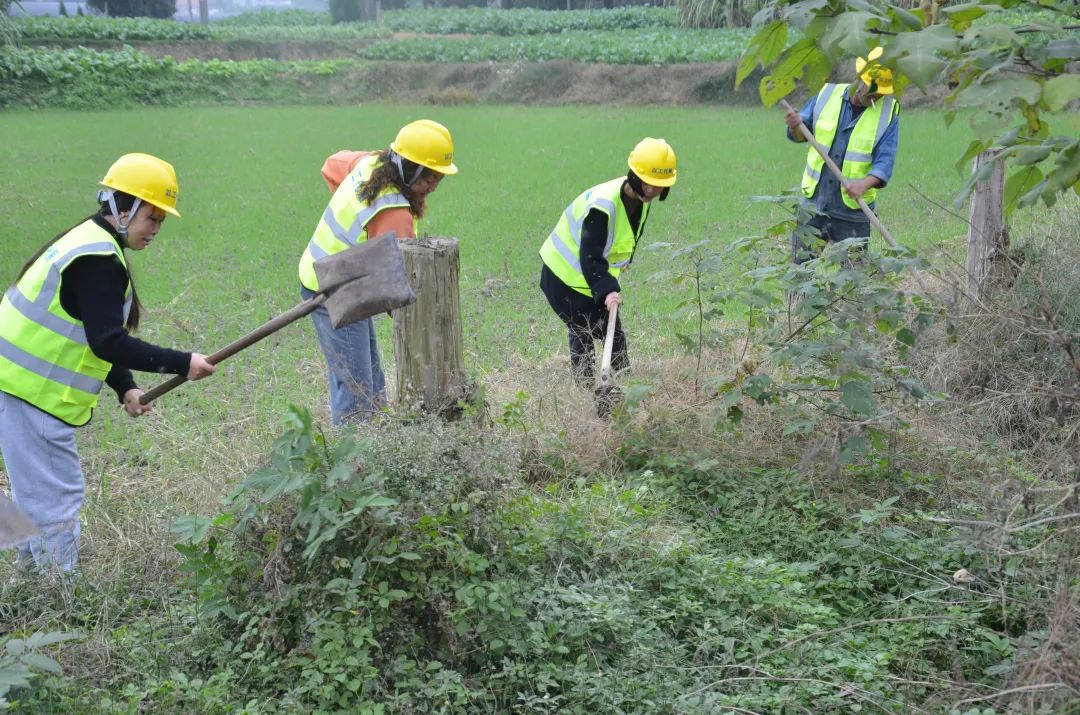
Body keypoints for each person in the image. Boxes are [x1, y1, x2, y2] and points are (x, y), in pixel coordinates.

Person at [0, 153, 216, 574]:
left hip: (14, 384)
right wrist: (181, 362)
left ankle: (30, 584)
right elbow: (107, 340)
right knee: (57, 499)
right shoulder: (97, 261)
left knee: (31, 495)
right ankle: (58, 596)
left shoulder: (88, 242)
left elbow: (88, 331)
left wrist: (126, 388)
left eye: (161, 220)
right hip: (32, 393)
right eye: (151, 217)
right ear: (122, 207)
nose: (155, 229)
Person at [298, 119, 458, 426]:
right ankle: (352, 465)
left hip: (340, 280)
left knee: (370, 380)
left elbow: (332, 166)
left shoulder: (369, 162)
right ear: (409, 169)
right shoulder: (393, 211)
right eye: (430, 177)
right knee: (357, 389)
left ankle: (374, 451)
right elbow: (398, 282)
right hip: (333, 291)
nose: (434, 185)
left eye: (440, 178)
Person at [539, 137, 677, 387]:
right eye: (649, 184)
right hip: (563, 276)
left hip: (592, 276)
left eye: (660, 186)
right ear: (635, 174)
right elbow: (589, 254)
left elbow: (621, 244)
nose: (654, 191)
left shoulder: (641, 202)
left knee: (614, 335)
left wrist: (607, 287)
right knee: (583, 332)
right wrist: (607, 288)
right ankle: (585, 393)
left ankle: (626, 387)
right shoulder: (602, 206)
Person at [784, 46, 900, 263]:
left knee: (854, 278)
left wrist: (863, 184)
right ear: (859, 80)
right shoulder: (827, 95)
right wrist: (794, 126)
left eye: (881, 92)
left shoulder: (888, 112)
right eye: (872, 89)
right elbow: (801, 135)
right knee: (800, 272)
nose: (876, 95)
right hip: (813, 205)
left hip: (852, 211)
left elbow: (885, 161)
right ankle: (797, 300)